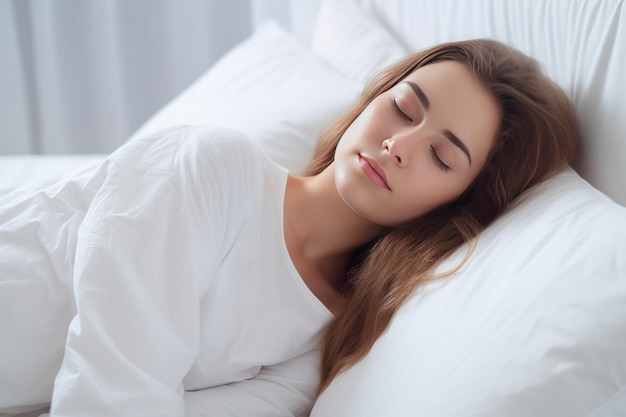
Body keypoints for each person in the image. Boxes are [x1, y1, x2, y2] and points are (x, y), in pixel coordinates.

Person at [0, 38, 577, 417]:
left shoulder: (321, 350)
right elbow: (112, 388)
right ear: (373, 98)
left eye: (442, 157)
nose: (399, 145)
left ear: (457, 206)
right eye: (403, 107)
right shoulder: (211, 166)